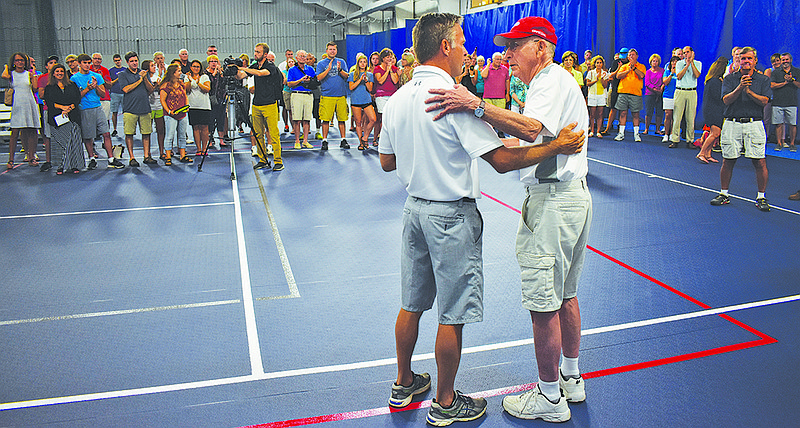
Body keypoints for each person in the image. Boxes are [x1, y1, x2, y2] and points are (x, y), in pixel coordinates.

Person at [381, 13, 585, 426]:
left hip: (414, 210)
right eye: (459, 43)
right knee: (452, 313)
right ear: (444, 47)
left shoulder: (400, 97)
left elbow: (387, 161)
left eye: (513, 46)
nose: (467, 52)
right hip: (451, 216)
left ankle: (403, 383)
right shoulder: (453, 98)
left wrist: (424, 154)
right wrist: (556, 146)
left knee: (411, 303)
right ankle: (445, 401)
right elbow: (502, 160)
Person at [710, 47, 772, 211]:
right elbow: (726, 100)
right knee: (728, 160)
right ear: (739, 60)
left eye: (749, 58)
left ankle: (761, 197)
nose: (746, 61)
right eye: (743, 58)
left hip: (755, 124)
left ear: (755, 60)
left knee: (759, 161)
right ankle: (724, 194)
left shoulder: (763, 80)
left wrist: (748, 90)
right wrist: (740, 87)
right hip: (732, 123)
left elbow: (764, 101)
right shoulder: (730, 79)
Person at [238, 42, 284, 171]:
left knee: (273, 134)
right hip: (256, 104)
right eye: (255, 51)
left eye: (258, 52)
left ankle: (278, 161)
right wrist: (234, 71)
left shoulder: (271, 66)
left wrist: (243, 68)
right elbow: (241, 76)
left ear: (265, 54)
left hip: (270, 104)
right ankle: (263, 160)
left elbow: (260, 73)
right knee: (258, 134)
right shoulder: (254, 65)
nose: (255, 54)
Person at [71, 54, 120, 169]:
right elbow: (76, 97)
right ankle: (91, 158)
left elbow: (103, 93)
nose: (87, 65)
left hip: (98, 107)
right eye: (85, 63)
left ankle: (111, 158)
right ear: (79, 63)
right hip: (84, 109)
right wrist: (88, 88)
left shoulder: (96, 76)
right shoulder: (74, 78)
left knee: (106, 133)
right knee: (88, 136)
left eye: (89, 63)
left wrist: (96, 86)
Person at [44, 63, 84, 174]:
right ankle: (61, 166)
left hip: (73, 117)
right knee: (60, 143)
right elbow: (49, 101)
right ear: (53, 74)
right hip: (57, 118)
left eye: (61, 71)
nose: (59, 73)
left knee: (74, 141)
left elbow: (77, 98)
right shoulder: (49, 87)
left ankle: (75, 165)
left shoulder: (72, 85)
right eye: (57, 72)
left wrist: (69, 108)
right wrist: (62, 108)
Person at [117, 51, 156, 166]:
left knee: (146, 133)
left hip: (145, 108)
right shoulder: (123, 74)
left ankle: (146, 156)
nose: (134, 63)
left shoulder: (144, 73)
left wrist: (144, 78)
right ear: (127, 62)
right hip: (130, 109)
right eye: (132, 61)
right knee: (129, 134)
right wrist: (139, 80)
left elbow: (150, 89)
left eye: (136, 61)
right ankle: (132, 157)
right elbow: (126, 89)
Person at [3, 52, 41, 168]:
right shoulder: (11, 74)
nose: (20, 62)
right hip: (18, 105)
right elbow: (4, 76)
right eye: (17, 60)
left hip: (30, 103)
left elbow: (35, 89)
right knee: (14, 133)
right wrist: (6, 66)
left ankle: (31, 156)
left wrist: (33, 74)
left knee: (32, 131)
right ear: (13, 62)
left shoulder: (29, 74)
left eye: (22, 60)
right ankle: (11, 159)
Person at [316, 42, 350, 150]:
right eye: (330, 49)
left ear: (336, 51)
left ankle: (343, 139)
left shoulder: (341, 62)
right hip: (327, 95)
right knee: (325, 119)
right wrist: (328, 69)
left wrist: (340, 70)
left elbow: (347, 76)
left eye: (334, 49)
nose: (332, 51)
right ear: (326, 51)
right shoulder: (321, 64)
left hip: (340, 95)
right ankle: (325, 140)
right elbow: (319, 78)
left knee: (342, 119)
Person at [669, 46, 702, 148]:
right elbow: (679, 76)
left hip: (692, 91)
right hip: (680, 91)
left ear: (692, 52)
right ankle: (675, 139)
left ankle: (690, 140)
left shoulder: (698, 63)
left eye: (687, 52)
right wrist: (686, 65)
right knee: (677, 117)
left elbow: (697, 75)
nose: (685, 54)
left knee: (690, 117)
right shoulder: (679, 63)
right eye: (684, 52)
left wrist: (691, 63)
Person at [697, 57, 728, 163]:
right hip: (714, 110)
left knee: (712, 133)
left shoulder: (711, 80)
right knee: (715, 133)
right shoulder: (715, 81)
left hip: (711, 109)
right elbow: (718, 96)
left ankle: (708, 153)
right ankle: (702, 152)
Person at [159, 63, 191, 165]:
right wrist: (168, 111)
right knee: (170, 135)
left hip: (182, 113)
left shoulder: (181, 84)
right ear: (173, 73)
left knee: (182, 135)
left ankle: (183, 155)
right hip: (170, 115)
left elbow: (185, 95)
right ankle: (168, 156)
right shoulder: (165, 86)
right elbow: (162, 100)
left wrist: (186, 105)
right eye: (178, 71)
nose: (180, 73)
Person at [613, 48, 646, 141]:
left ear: (637, 56)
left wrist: (634, 68)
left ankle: (636, 134)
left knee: (636, 114)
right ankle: (621, 133)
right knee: (622, 113)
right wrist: (628, 70)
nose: (631, 56)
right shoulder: (624, 66)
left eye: (633, 55)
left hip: (635, 93)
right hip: (623, 92)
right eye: (629, 55)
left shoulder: (641, 66)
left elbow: (642, 75)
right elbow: (618, 76)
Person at [286, 50, 316, 150]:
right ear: (297, 58)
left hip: (308, 95)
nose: (303, 58)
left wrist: (309, 81)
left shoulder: (311, 69)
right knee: (297, 119)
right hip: (297, 94)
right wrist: (300, 80)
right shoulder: (292, 70)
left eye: (305, 56)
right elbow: (289, 84)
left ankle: (305, 141)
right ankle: (297, 141)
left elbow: (315, 82)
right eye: (301, 56)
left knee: (307, 119)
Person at [771, 53, 799, 151]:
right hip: (777, 102)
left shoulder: (797, 71)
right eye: (783, 60)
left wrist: (792, 80)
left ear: (790, 60)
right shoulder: (775, 72)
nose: (785, 61)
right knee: (778, 124)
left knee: (792, 124)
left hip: (792, 102)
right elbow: (772, 85)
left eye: (787, 59)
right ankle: (779, 143)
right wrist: (784, 83)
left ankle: (792, 144)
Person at [348, 53, 375, 150]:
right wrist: (360, 80)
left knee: (373, 119)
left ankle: (365, 138)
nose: (363, 64)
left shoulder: (370, 75)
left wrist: (366, 80)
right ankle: (361, 143)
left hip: (366, 100)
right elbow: (351, 87)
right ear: (358, 63)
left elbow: (370, 89)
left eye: (364, 62)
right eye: (361, 62)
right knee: (358, 123)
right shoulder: (352, 74)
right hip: (356, 100)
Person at [184, 59, 211, 157]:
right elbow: (186, 89)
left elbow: (207, 89)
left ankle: (204, 148)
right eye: (194, 66)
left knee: (204, 128)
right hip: (193, 105)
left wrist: (198, 82)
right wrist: (190, 80)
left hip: (204, 106)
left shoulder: (205, 77)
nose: (196, 68)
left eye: (198, 67)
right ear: (191, 67)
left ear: (200, 68)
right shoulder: (187, 77)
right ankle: (198, 149)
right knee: (195, 127)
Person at [36, 55, 59, 171]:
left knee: (62, 134)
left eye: (55, 62)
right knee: (48, 136)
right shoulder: (43, 78)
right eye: (51, 62)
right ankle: (48, 161)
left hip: (61, 110)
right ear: (46, 66)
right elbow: (41, 95)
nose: (53, 64)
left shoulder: (62, 77)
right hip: (48, 109)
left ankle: (64, 159)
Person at [373, 48, 399, 145]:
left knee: (392, 117)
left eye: (391, 57)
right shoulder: (377, 69)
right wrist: (387, 70)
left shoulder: (394, 68)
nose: (390, 59)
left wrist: (391, 70)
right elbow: (380, 81)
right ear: (383, 58)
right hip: (381, 96)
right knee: (384, 117)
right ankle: (383, 137)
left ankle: (390, 137)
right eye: (388, 57)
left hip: (393, 95)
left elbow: (395, 81)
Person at [142, 59, 166, 160]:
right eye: (152, 65)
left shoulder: (158, 78)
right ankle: (147, 152)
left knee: (161, 130)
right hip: (148, 107)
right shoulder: (143, 79)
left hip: (158, 106)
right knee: (147, 131)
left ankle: (161, 151)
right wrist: (154, 85)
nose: (154, 67)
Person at [601, 51, 625, 135]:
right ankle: (608, 128)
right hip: (614, 89)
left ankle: (621, 129)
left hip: (624, 89)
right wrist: (618, 68)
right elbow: (611, 76)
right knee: (613, 108)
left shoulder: (628, 64)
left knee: (623, 110)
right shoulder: (614, 65)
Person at [585, 55, 609, 137]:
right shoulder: (591, 73)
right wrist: (595, 80)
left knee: (600, 114)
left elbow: (605, 86)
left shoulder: (605, 73)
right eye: (597, 63)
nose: (599, 64)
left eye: (600, 63)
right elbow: (587, 84)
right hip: (592, 95)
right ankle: (591, 131)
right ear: (594, 64)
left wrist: (601, 78)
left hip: (601, 95)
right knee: (592, 114)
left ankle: (598, 131)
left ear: (602, 64)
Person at [643, 54, 664, 135]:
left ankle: (657, 129)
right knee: (649, 112)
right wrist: (655, 89)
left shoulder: (662, 71)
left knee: (659, 111)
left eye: (656, 61)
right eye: (653, 61)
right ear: (651, 62)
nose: (655, 62)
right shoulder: (648, 72)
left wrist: (660, 90)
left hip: (660, 94)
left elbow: (664, 81)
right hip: (650, 94)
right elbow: (647, 83)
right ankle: (646, 129)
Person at [661, 56, 679, 143]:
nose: (674, 63)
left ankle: (672, 134)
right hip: (668, 96)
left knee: (675, 117)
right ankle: (666, 134)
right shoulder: (667, 72)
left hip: (678, 96)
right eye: (673, 61)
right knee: (668, 115)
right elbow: (665, 82)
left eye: (676, 62)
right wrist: (671, 74)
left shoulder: (680, 73)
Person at [108, 54, 126, 137]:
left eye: (118, 60)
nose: (117, 62)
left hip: (124, 93)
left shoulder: (125, 70)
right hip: (114, 93)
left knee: (126, 112)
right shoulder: (111, 71)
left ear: (121, 60)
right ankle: (115, 129)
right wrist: (118, 78)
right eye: (116, 60)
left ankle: (126, 129)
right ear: (114, 61)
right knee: (114, 111)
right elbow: (110, 83)